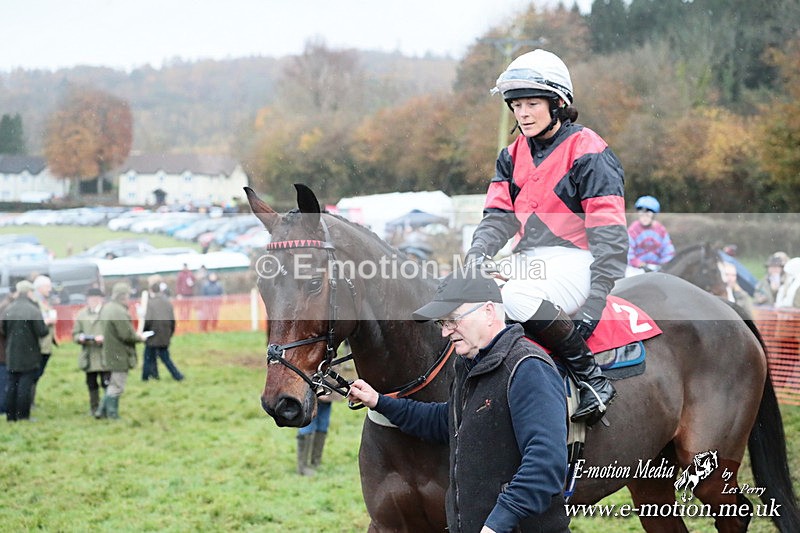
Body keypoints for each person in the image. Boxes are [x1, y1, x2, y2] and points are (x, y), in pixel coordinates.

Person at [465, 48, 626, 425]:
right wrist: (477, 253)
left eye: (532, 104)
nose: (522, 113)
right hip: (528, 260)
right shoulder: (511, 155)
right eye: (516, 105)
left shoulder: (589, 150)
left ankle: (591, 376)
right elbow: (498, 218)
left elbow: (609, 236)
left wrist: (595, 301)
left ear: (558, 103)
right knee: (462, 294)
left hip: (579, 259)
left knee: (512, 298)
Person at [347, 271, 569, 532]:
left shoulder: (528, 368)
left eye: (452, 320)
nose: (445, 332)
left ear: (488, 312)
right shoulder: (468, 365)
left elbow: (545, 463)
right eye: (442, 322)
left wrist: (497, 524)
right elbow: (447, 420)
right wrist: (379, 402)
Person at [95, 282, 147, 419]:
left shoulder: (107, 308)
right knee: (117, 385)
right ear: (123, 296)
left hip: (109, 351)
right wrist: (140, 338)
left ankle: (101, 412)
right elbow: (126, 334)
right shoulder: (119, 311)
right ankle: (112, 415)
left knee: (113, 383)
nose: (129, 298)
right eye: (128, 295)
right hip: (119, 353)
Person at [1, 281, 50, 421]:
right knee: (25, 385)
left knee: (11, 384)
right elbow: (42, 331)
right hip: (29, 353)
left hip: (11, 353)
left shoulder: (8, 308)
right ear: (29, 292)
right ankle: (23, 416)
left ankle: (10, 416)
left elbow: (3, 329)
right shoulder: (33, 310)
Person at [72, 288, 110, 414]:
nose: (93, 301)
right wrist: (80, 338)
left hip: (105, 354)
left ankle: (107, 408)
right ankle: (94, 408)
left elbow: (115, 333)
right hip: (89, 355)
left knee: (107, 383)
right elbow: (75, 334)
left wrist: (105, 338)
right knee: (91, 383)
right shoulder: (81, 314)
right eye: (91, 298)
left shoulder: (108, 313)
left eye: (96, 298)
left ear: (101, 299)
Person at [142, 278, 184, 381]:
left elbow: (148, 320)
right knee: (165, 358)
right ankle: (176, 376)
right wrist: (170, 333)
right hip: (165, 335)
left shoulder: (150, 303)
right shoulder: (167, 302)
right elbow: (172, 320)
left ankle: (145, 378)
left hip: (153, 335)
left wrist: (144, 332)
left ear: (151, 290)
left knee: (148, 357)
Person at [626, 195, 676, 274]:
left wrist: (663, 265)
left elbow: (668, 251)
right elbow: (629, 253)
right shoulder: (633, 230)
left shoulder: (660, 230)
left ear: (654, 215)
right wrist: (641, 265)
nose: (644, 217)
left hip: (656, 268)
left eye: (648, 213)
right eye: (641, 213)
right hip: (636, 269)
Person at [31, 275, 57, 405]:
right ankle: (29, 402)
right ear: (40, 287)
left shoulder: (44, 301)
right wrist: (48, 321)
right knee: (34, 375)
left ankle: (30, 401)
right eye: (47, 286)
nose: (50, 289)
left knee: (37, 374)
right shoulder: (34, 302)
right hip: (39, 344)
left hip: (46, 344)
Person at [296, 393, 333, 476]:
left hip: (329, 391)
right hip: (311, 392)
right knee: (307, 424)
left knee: (323, 425)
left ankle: (316, 462)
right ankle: (302, 466)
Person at [0, 287, 16, 415]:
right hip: (3, 351)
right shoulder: (7, 307)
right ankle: (3, 407)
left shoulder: (6, 305)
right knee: (4, 380)